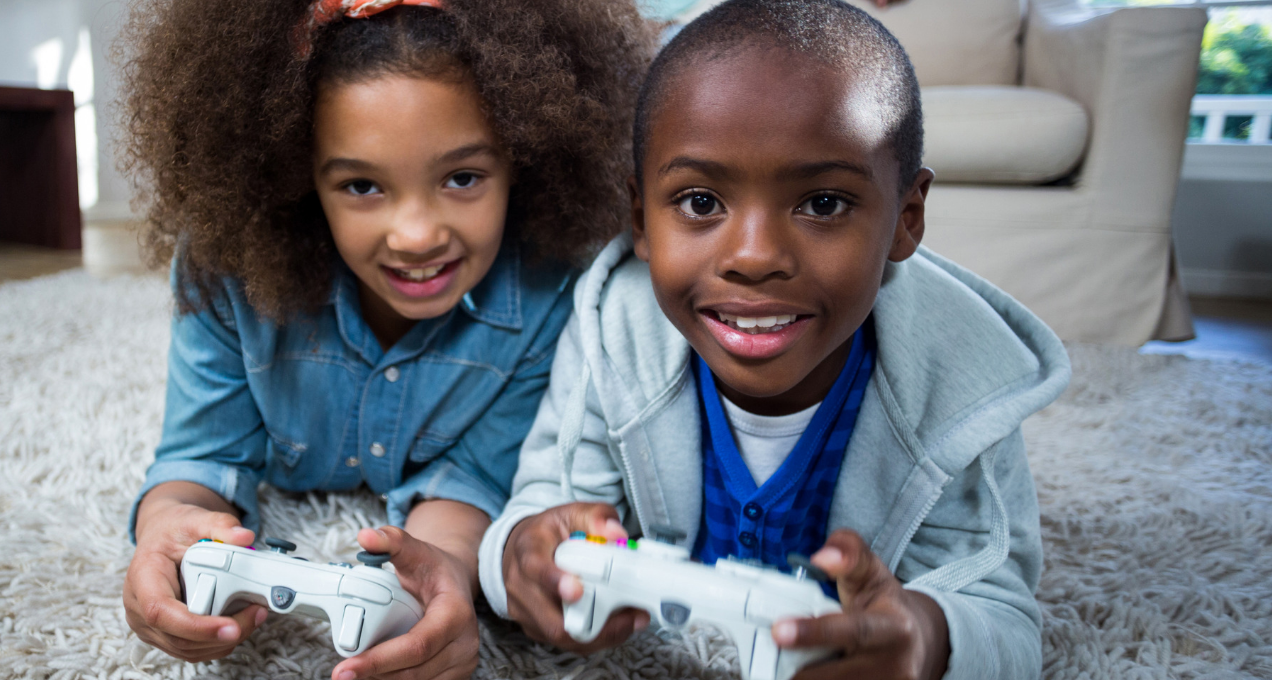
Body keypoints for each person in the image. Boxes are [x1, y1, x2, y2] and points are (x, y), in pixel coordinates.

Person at [478, 1, 1071, 678]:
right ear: (638, 217)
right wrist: (522, 559)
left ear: (906, 219)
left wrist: (927, 637)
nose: (754, 257)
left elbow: (1004, 618)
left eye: (822, 203)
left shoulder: (964, 378)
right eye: (701, 202)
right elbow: (539, 512)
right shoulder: (615, 327)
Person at [116, 1, 654, 679]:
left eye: (462, 178)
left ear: (524, 159)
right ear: (299, 175)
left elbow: (474, 485)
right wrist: (168, 530)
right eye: (362, 185)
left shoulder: (554, 293)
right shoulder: (229, 268)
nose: (417, 234)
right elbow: (200, 456)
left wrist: (437, 578)